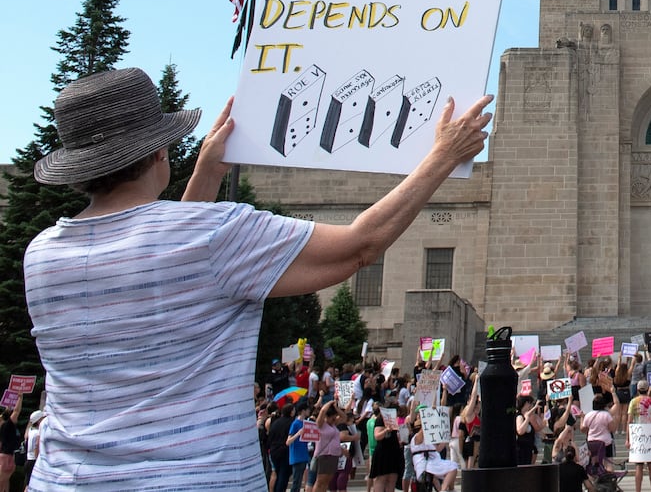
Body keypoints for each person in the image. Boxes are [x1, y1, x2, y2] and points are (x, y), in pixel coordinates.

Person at [22, 66, 493, 491]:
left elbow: (164, 268)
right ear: (159, 151)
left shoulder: (41, 254)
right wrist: (442, 157)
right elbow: (359, 246)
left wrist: (205, 174)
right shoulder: (214, 233)